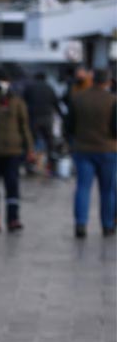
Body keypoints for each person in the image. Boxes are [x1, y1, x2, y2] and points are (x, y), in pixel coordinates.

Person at [0, 68, 35, 232]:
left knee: (12, 186)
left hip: (12, 151)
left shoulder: (16, 101)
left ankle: (13, 218)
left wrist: (29, 148)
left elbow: (24, 126)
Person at [65, 68, 117, 238]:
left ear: (93, 80)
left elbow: (69, 126)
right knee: (107, 190)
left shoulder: (78, 98)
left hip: (83, 150)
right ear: (108, 82)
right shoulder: (112, 100)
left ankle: (81, 224)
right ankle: (107, 225)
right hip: (108, 150)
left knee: (83, 187)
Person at [23, 71, 61, 175]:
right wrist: (61, 115)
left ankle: (30, 165)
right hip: (47, 118)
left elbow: (23, 101)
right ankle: (51, 165)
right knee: (50, 142)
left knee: (31, 142)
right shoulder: (49, 88)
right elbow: (56, 103)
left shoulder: (30, 88)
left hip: (33, 118)